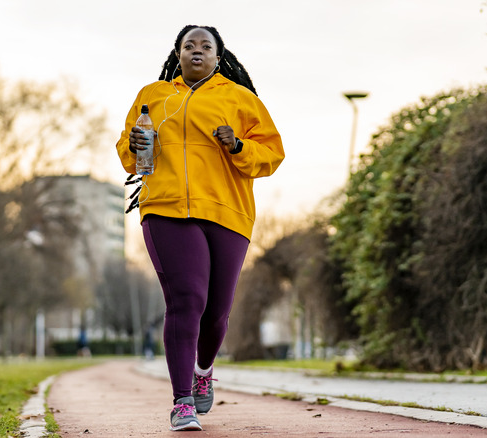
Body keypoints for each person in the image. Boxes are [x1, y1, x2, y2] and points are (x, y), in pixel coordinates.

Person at [116, 25, 284, 432]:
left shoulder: (240, 99)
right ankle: (182, 402)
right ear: (177, 54)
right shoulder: (152, 97)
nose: (196, 51)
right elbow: (126, 153)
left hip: (227, 211)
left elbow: (273, 153)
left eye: (205, 46)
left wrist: (238, 146)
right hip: (166, 209)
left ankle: (203, 369)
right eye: (188, 45)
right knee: (187, 299)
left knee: (216, 313)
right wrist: (135, 147)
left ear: (218, 56)